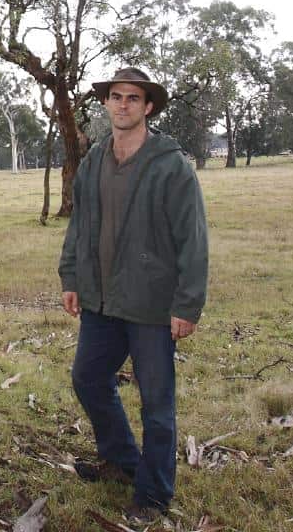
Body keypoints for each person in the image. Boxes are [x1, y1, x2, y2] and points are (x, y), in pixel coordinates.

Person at [58, 68, 208, 524]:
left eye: (133, 98)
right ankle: (123, 462)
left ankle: (155, 495)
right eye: (115, 97)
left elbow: (193, 238)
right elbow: (80, 224)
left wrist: (187, 304)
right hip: (101, 301)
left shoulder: (171, 165)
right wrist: (70, 276)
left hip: (151, 305)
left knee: (157, 404)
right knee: (88, 379)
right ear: (106, 104)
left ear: (148, 107)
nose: (122, 105)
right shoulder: (94, 160)